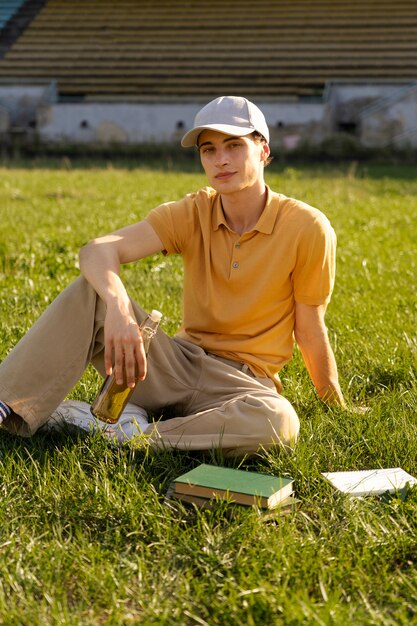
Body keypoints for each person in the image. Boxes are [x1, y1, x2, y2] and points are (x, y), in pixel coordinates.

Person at [0, 95, 345, 455]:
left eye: (234, 145)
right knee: (91, 293)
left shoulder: (308, 227)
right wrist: (119, 309)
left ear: (263, 150)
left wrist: (334, 402)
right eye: (208, 150)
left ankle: (133, 434)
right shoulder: (194, 211)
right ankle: (7, 403)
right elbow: (97, 250)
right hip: (175, 364)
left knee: (279, 420)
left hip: (242, 384)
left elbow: (309, 327)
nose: (220, 160)